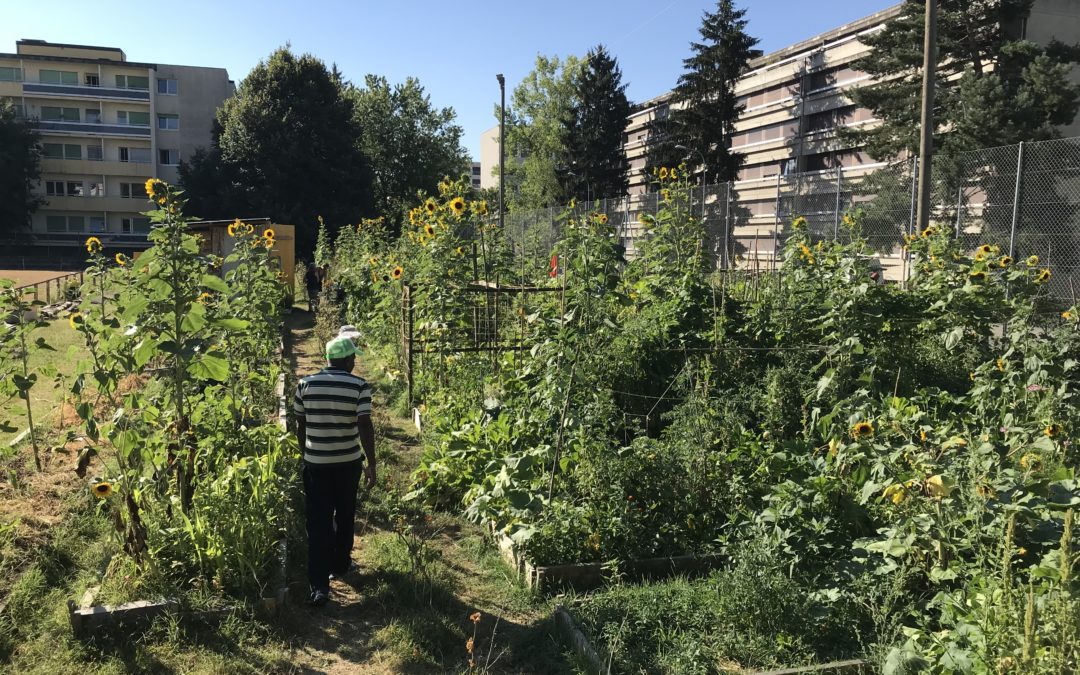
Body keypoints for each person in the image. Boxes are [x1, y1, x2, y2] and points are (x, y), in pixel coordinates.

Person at [293, 336, 376, 606]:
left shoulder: (305, 384)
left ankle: (319, 585)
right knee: (345, 513)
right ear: (346, 360)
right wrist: (371, 464)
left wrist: (306, 453)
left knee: (318, 522)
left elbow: (300, 423)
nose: (355, 362)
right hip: (347, 463)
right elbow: (364, 425)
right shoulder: (359, 386)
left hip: (316, 463)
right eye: (353, 358)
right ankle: (340, 563)